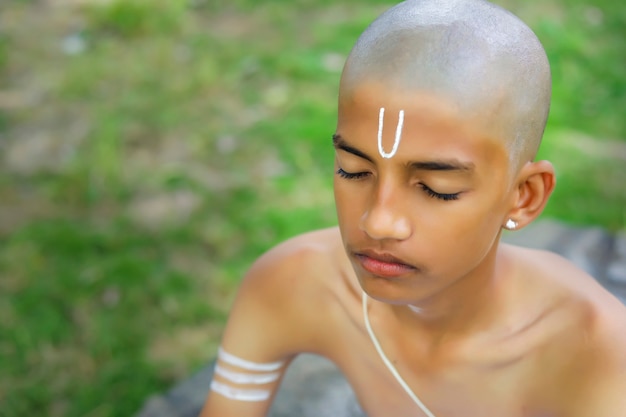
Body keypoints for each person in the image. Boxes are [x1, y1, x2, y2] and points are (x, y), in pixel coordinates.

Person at [199, 0, 626, 416]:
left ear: (524, 196)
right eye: (353, 171)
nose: (379, 221)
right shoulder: (294, 285)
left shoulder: (597, 355)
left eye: (436, 189)